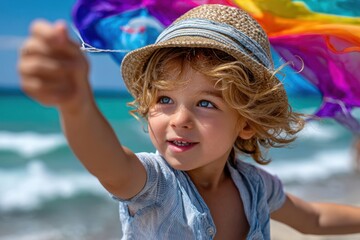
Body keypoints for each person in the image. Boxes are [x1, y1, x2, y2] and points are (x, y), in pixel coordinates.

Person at [18, 4, 360, 239]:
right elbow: (106, 160)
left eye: (205, 103)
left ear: (247, 123)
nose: (179, 119)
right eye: (165, 99)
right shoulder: (153, 183)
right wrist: (76, 105)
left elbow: (314, 218)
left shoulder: (256, 187)